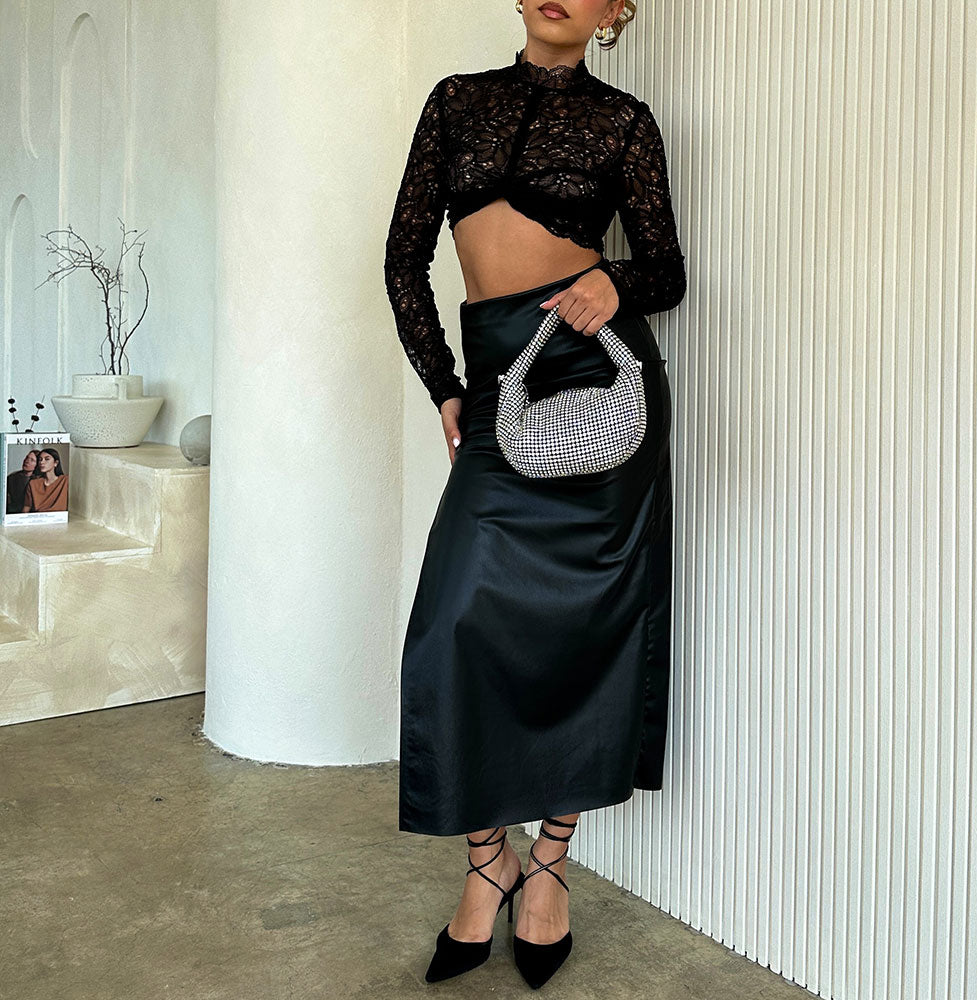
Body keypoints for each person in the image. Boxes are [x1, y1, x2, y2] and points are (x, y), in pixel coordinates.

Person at [383, 0, 685, 988]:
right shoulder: (456, 101)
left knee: (590, 630)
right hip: (495, 388)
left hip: (599, 390)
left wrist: (617, 286)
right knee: (451, 628)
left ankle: (546, 865)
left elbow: (666, 270)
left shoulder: (624, 121)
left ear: (615, 12)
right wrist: (443, 387)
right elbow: (403, 260)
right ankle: (487, 861)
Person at [22, 448, 68, 513]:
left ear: (56, 463)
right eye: (40, 459)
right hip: (39, 518)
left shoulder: (65, 481)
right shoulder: (33, 484)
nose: (41, 462)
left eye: (47, 459)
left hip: (59, 519)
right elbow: (27, 506)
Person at [6, 449, 41, 514]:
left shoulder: (39, 480)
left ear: (37, 465)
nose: (27, 461)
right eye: (27, 457)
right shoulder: (12, 477)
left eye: (32, 460)